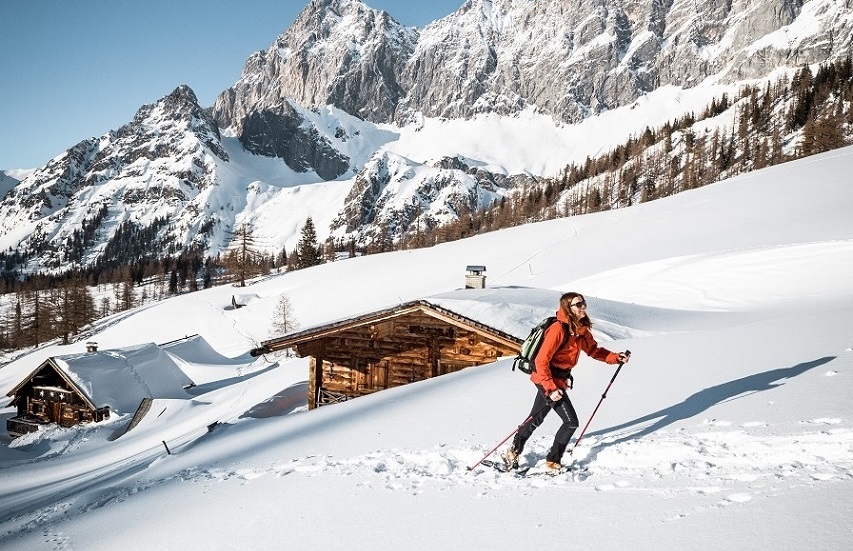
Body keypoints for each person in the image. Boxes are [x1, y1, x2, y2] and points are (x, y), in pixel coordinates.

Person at [501, 292, 630, 471]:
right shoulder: (558, 329)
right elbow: (541, 361)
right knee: (571, 422)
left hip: (558, 380)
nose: (583, 307)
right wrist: (551, 388)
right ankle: (553, 461)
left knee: (536, 417)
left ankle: (513, 451)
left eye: (583, 303)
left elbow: (594, 351)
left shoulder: (580, 329)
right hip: (546, 379)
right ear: (568, 308)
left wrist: (616, 357)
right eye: (578, 305)